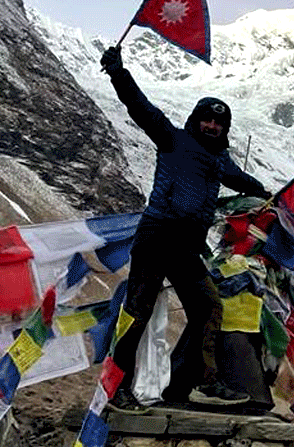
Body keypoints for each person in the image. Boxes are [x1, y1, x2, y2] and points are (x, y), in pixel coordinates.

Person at [99, 45, 271, 413]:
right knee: (137, 313)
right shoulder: (173, 139)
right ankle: (115, 389)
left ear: (225, 129)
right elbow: (141, 109)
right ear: (196, 120)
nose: (212, 126)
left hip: (187, 249)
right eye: (207, 120)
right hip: (157, 237)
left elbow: (241, 180)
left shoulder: (219, 160)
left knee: (208, 307)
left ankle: (198, 385)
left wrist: (267, 195)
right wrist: (118, 73)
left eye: (219, 123)